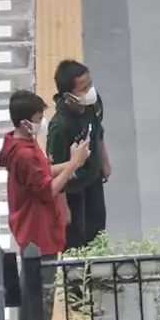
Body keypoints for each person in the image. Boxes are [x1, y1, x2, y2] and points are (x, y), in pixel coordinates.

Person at [0, 90, 92, 320]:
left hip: (28, 227)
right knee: (43, 295)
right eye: (39, 118)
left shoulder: (18, 143)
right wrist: (74, 164)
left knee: (30, 291)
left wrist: (72, 162)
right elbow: (46, 188)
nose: (41, 122)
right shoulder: (25, 154)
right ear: (26, 122)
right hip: (38, 229)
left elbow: (44, 172)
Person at [46, 59, 111, 251]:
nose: (89, 91)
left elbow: (98, 133)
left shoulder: (92, 104)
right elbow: (55, 171)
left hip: (93, 178)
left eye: (90, 84)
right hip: (73, 189)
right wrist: (63, 208)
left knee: (98, 229)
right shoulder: (60, 127)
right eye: (83, 88)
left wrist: (104, 162)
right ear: (68, 96)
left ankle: (99, 274)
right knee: (76, 238)